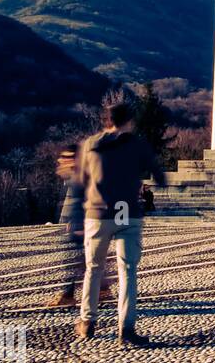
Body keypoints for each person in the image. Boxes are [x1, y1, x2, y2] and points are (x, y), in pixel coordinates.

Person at [74, 101, 168, 346]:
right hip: (127, 213)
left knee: (93, 269)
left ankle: (87, 322)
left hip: (97, 213)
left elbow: (81, 180)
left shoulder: (90, 145)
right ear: (129, 121)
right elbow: (160, 176)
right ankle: (126, 329)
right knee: (127, 271)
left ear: (107, 121)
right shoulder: (137, 145)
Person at [47, 146, 114, 308]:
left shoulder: (83, 176)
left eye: (67, 157)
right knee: (82, 260)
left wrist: (83, 223)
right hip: (79, 223)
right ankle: (101, 290)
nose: (62, 160)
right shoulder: (76, 175)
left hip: (84, 224)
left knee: (74, 261)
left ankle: (68, 294)